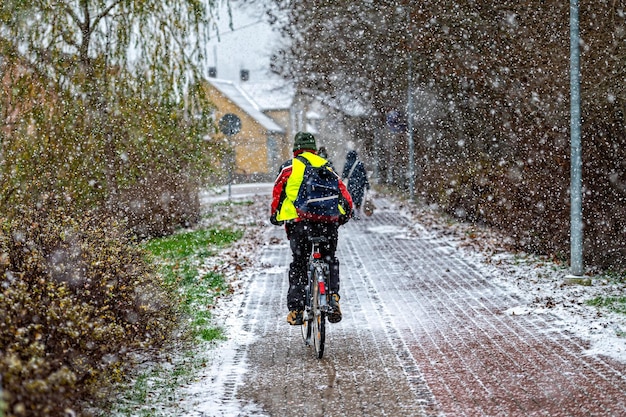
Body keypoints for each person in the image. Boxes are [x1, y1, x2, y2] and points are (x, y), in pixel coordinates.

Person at [270, 132, 353, 325]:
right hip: (328, 224)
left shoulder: (289, 167)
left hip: (300, 225)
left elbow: (277, 194)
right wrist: (343, 216)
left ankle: (297, 310)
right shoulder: (326, 166)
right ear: (314, 149)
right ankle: (333, 298)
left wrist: (275, 216)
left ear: (295, 149)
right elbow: (344, 195)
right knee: (329, 259)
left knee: (299, 263)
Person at [341, 150, 370, 219]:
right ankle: (357, 213)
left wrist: (340, 182)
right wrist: (367, 185)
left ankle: (352, 212)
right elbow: (364, 175)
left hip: (351, 184)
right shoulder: (359, 163)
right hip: (360, 184)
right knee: (359, 199)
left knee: (351, 198)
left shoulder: (347, 164)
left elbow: (344, 175)